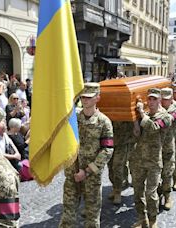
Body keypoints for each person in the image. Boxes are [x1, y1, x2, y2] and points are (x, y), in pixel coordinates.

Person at [59, 83, 114, 228]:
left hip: (91, 177)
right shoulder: (73, 119)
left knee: (92, 217)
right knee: (67, 215)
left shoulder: (104, 122)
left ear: (97, 98)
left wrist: (87, 171)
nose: (85, 100)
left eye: (89, 97)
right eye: (83, 97)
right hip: (72, 174)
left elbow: (107, 149)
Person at [129, 88, 172, 228]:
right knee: (137, 192)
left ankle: (153, 220)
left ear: (160, 100)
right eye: (150, 99)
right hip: (138, 160)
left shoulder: (166, 117)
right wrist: (136, 120)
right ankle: (142, 219)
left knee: (150, 193)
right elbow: (137, 134)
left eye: (155, 99)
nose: (152, 102)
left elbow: (153, 127)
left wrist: (141, 113)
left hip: (154, 161)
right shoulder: (145, 115)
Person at [159, 88, 176, 210]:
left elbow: (165, 121)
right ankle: (157, 196)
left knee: (167, 174)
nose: (164, 102)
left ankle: (167, 197)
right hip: (155, 149)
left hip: (168, 148)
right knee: (156, 175)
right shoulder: (154, 111)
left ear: (171, 99)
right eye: (162, 99)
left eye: (167, 99)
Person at [107, 121, 138, 205]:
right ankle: (115, 186)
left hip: (125, 139)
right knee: (110, 165)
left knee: (117, 166)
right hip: (110, 139)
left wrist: (136, 125)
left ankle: (118, 191)